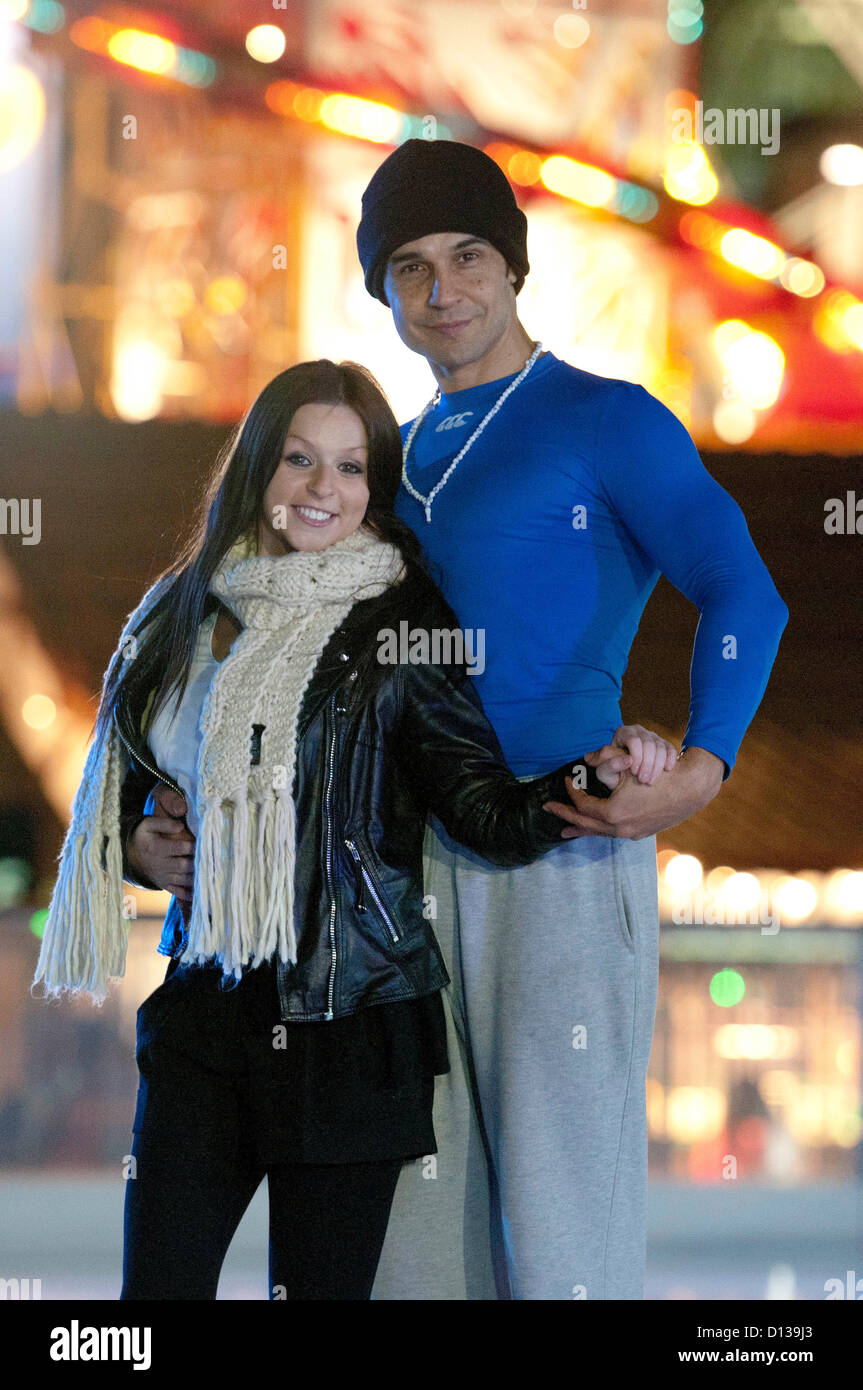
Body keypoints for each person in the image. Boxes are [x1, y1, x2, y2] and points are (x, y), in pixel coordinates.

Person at [32, 359, 676, 1301]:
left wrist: (593, 776)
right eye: (298, 459)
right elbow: (127, 773)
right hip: (206, 1012)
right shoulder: (180, 612)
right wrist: (133, 835)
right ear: (257, 466)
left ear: (376, 490)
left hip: (352, 1028)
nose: (321, 488)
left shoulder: (400, 630)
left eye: (349, 466)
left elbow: (482, 807)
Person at [351, 138, 790, 1300]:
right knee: (413, 1232)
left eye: (466, 255)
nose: (441, 291)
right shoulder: (383, 463)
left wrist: (700, 767)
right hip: (399, 871)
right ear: (382, 291)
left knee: (557, 1233)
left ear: (512, 265)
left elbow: (745, 590)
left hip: (560, 836)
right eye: (407, 268)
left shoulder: (606, 419)